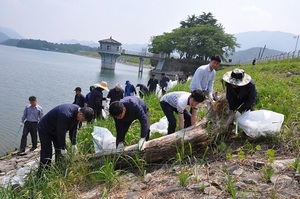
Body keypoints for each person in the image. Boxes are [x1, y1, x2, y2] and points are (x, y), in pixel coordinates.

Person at [37, 104, 94, 173]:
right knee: (47, 151)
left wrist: (74, 144)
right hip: (45, 129)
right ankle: (43, 172)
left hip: (56, 128)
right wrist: (63, 148)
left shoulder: (77, 114)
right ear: (80, 114)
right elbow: (61, 133)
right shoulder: (65, 114)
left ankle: (59, 169)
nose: (83, 122)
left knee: (59, 150)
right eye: (83, 120)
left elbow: (73, 129)